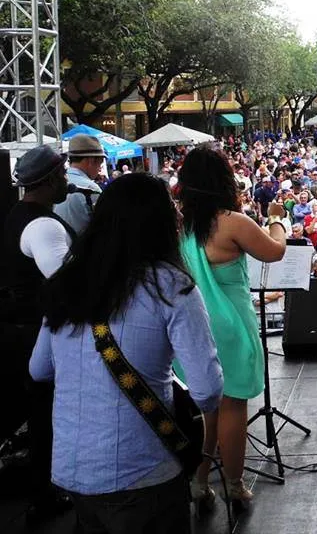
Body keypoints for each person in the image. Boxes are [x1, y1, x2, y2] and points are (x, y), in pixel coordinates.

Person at [30, 173, 223, 533]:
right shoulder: (171, 287)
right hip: (144, 468)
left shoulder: (66, 283)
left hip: (74, 467)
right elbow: (207, 390)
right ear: (161, 223)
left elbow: (39, 368)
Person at [176, 147, 287, 509]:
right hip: (230, 324)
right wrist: (277, 222)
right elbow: (274, 252)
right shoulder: (233, 221)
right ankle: (235, 484)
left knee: (203, 407)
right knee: (233, 405)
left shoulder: (177, 224)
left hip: (190, 322)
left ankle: (198, 480)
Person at [1, 145, 73, 521]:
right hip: (34, 335)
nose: (65, 181)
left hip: (18, 330)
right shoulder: (44, 225)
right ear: (46, 181)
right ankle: (43, 495)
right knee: (46, 414)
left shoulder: (18, 215)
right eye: (61, 175)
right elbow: (64, 282)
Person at [53, 134, 105, 235]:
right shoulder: (91, 188)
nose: (100, 169)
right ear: (90, 161)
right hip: (82, 247)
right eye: (100, 163)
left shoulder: (56, 183)